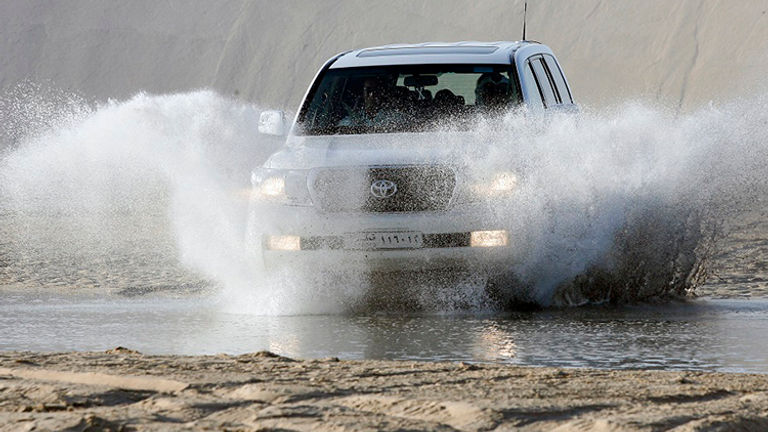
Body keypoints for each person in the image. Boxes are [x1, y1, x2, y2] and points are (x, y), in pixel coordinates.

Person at [338, 76, 405, 128]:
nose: (372, 94)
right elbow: (339, 130)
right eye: (368, 90)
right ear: (363, 93)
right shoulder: (354, 118)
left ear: (382, 93)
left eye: (375, 90)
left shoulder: (393, 118)